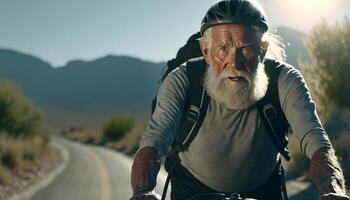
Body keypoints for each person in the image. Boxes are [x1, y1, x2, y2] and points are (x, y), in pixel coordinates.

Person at [130, 0, 350, 200]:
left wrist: (334, 191)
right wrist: (143, 192)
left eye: (245, 49)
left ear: (262, 51)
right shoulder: (182, 79)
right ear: (205, 51)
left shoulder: (285, 79)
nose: (234, 62)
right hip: (191, 189)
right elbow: (156, 138)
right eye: (222, 49)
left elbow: (314, 138)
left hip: (265, 189)